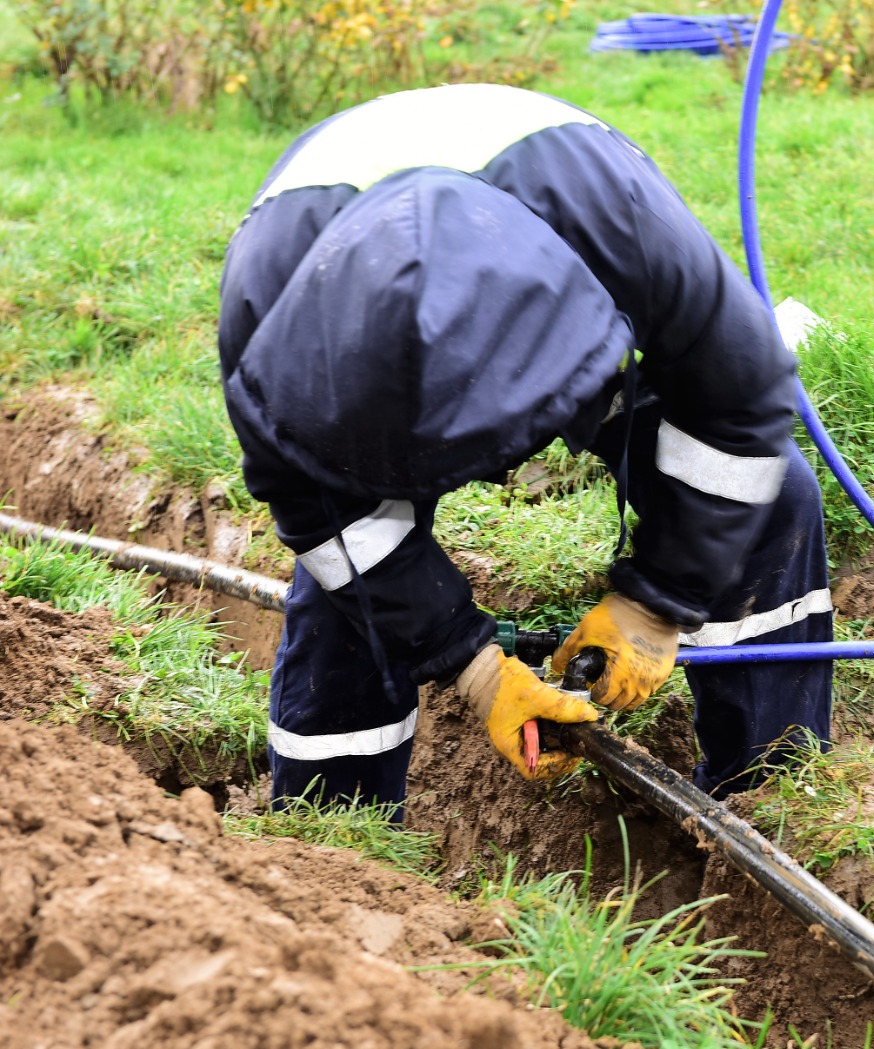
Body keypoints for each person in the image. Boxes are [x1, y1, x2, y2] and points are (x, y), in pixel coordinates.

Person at [217, 83, 832, 810]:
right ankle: (333, 832)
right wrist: (472, 666)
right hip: (351, 346)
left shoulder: (623, 224)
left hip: (570, 220)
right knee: (346, 585)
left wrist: (659, 601)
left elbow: (738, 402)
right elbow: (328, 519)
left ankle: (771, 789)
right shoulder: (271, 326)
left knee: (772, 498)